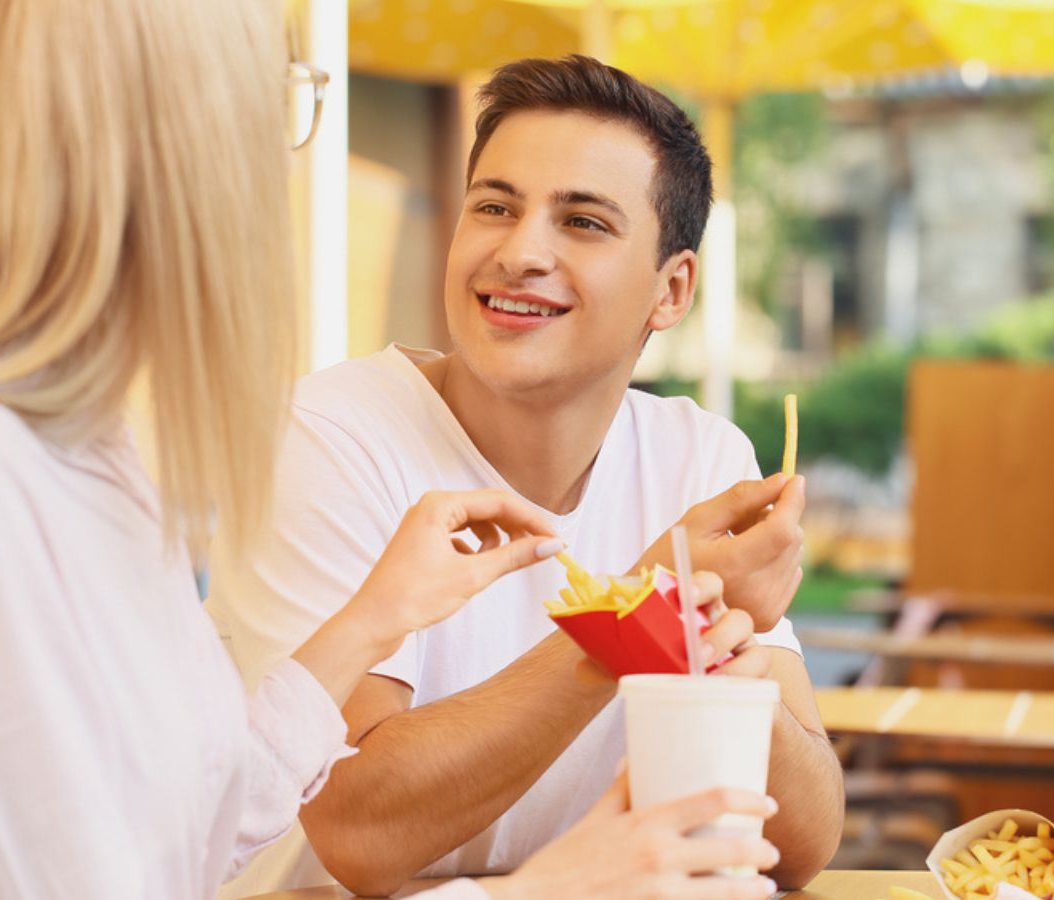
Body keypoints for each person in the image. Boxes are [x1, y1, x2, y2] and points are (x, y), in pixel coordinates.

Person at [0, 3, 782, 898]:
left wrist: (370, 621)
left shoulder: (89, 449)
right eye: (277, 98)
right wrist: (548, 887)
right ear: (160, 140)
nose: (282, 156)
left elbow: (194, 820)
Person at [209, 55, 845, 898]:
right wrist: (635, 618)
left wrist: (728, 668)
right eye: (494, 207)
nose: (519, 252)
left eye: (582, 222)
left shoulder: (702, 461)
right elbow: (360, 832)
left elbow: (802, 845)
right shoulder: (329, 443)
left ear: (672, 288)